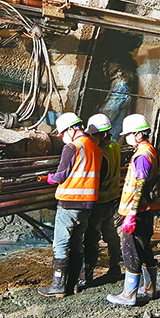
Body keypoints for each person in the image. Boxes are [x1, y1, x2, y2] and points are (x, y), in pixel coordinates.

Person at [38, 112, 102, 298]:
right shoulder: (96, 148)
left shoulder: (72, 147)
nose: (63, 136)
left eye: (64, 132)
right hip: (88, 205)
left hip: (69, 203)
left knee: (61, 244)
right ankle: (73, 285)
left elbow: (61, 176)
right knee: (77, 243)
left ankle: (58, 285)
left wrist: (49, 178)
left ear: (72, 129)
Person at [106, 114, 160, 306]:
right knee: (144, 248)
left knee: (131, 251)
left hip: (137, 212)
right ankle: (150, 287)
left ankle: (129, 294)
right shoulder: (149, 150)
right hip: (146, 210)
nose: (126, 137)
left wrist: (131, 214)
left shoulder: (142, 156)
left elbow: (140, 186)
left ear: (138, 134)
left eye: (129, 134)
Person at [76, 113, 123, 291]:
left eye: (93, 135)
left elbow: (96, 178)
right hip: (111, 200)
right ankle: (114, 268)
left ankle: (86, 277)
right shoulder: (115, 146)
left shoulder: (100, 153)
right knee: (111, 234)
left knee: (91, 239)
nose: (90, 137)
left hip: (99, 202)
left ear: (103, 135)